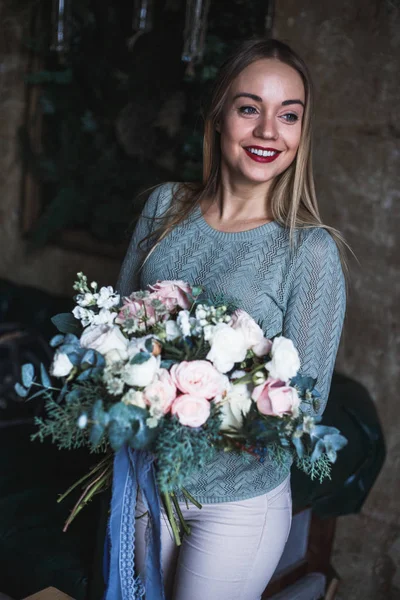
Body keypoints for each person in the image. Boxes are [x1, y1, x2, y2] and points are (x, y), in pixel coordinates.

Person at [116, 38, 347, 600]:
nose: (269, 131)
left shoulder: (309, 250)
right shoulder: (165, 208)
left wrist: (204, 402)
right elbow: (115, 333)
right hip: (146, 484)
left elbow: (304, 407)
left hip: (237, 506)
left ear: (301, 132)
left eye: (288, 116)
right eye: (250, 109)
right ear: (218, 117)